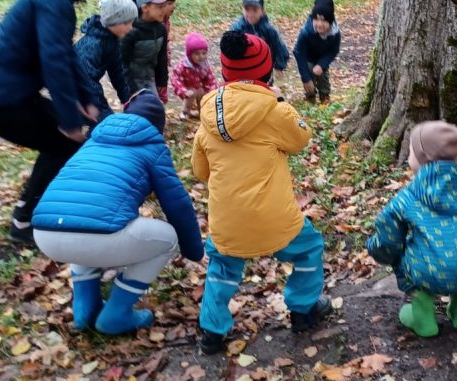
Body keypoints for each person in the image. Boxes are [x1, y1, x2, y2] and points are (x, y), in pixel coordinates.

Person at [193, 31, 331, 354]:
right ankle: (303, 309)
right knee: (309, 247)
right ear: (266, 72)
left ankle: (212, 331)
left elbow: (200, 171)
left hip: (227, 222)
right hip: (275, 220)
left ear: (226, 72)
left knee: (222, 267)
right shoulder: (273, 110)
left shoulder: (208, 116)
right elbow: (300, 138)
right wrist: (281, 102)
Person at [32, 90, 203, 334]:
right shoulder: (152, 147)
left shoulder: (93, 141)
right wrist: (193, 250)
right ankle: (117, 314)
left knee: (85, 220)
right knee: (167, 238)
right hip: (96, 237)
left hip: (44, 233)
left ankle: (84, 307)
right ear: (158, 125)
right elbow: (178, 204)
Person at [0, 0, 100, 245]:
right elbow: (53, 60)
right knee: (63, 143)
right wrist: (69, 120)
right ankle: (24, 220)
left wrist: (86, 98)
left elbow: (64, 54)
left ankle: (32, 212)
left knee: (64, 143)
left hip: (11, 93)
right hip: (0, 98)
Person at [367, 121, 457, 338]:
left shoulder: (407, 199)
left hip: (427, 273)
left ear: (421, 159)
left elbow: (388, 239)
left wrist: (377, 250)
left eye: (411, 153)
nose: (408, 158)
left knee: (409, 261)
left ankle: (423, 319)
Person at [75, 0, 137, 122]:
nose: (130, 28)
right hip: (74, 90)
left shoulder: (112, 40)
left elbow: (117, 73)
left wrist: (127, 100)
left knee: (103, 121)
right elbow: (86, 78)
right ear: (114, 21)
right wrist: (99, 106)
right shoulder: (93, 44)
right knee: (102, 122)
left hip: (88, 89)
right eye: (127, 23)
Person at [121, 0, 170, 96]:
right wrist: (131, 88)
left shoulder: (161, 29)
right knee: (141, 105)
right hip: (130, 78)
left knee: (153, 104)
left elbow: (162, 57)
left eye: (164, 6)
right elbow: (121, 62)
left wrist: (162, 80)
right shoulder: (130, 30)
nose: (164, 10)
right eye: (160, 7)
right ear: (145, 8)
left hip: (148, 76)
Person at [293, 0, 341, 103]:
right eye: (316, 19)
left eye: (323, 20)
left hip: (322, 58)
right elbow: (298, 52)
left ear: (330, 21)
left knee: (323, 76)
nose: (319, 24)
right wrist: (306, 78)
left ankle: (325, 97)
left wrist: (322, 64)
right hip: (308, 57)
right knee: (309, 72)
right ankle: (310, 97)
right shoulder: (306, 32)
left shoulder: (335, 34)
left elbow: (334, 50)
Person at [231, 0, 290, 74]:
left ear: (262, 11)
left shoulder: (268, 30)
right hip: (243, 70)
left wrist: (279, 66)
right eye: (247, 9)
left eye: (255, 10)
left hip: (264, 69)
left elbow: (278, 47)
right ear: (242, 10)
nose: (250, 14)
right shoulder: (237, 29)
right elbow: (230, 49)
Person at [171, 32, 218, 120]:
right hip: (187, 88)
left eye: (204, 53)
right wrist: (183, 90)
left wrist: (212, 89)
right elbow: (175, 79)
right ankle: (185, 112)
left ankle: (202, 111)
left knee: (201, 92)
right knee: (191, 93)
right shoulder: (183, 66)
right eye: (197, 54)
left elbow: (210, 79)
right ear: (190, 55)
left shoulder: (205, 65)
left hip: (198, 86)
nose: (201, 56)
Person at [153, 0, 178, 101]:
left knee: (162, 94)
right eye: (169, 3)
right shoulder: (153, 23)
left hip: (162, 63)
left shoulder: (166, 20)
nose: (173, 6)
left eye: (174, 2)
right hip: (151, 66)